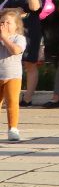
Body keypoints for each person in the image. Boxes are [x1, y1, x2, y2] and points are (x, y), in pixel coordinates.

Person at [2, 8, 25, 140]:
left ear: (17, 26)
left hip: (13, 76)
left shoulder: (19, 38)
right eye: (1, 22)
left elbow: (15, 50)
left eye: (8, 23)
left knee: (12, 102)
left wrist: (5, 38)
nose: (4, 25)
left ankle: (13, 128)